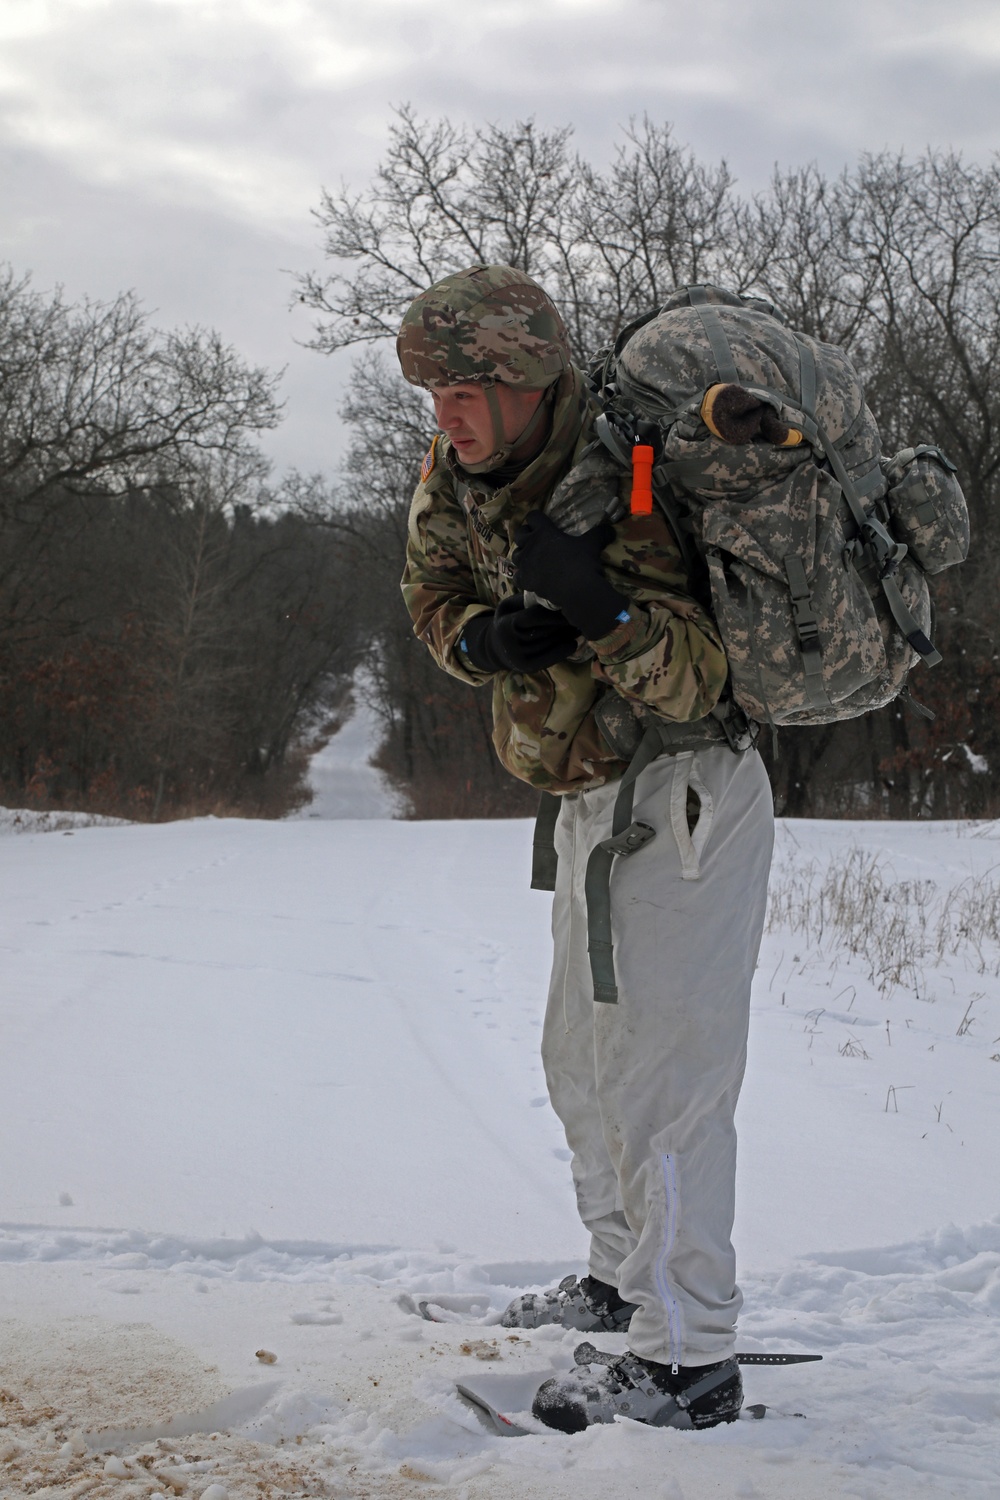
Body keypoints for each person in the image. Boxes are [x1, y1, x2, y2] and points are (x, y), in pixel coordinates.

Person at [397, 264, 774, 1432]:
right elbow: (430, 592)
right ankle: (620, 1288)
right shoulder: (460, 476)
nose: (444, 411)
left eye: (464, 387)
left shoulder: (628, 477)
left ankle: (685, 1358)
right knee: (581, 1062)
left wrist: (606, 615)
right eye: (432, 390)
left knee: (664, 1085)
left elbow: (708, 678)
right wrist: (486, 637)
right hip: (582, 796)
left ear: (524, 379)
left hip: (683, 793)